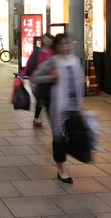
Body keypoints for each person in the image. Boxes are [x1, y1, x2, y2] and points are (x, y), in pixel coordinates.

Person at [31, 34, 85, 184]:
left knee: (73, 134)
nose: (67, 46)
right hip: (57, 105)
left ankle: (62, 155)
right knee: (59, 137)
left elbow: (79, 82)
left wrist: (81, 103)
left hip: (73, 105)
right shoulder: (52, 62)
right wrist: (51, 78)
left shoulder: (74, 61)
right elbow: (35, 77)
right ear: (56, 47)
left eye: (68, 43)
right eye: (63, 44)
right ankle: (61, 169)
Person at [21, 33, 55, 127]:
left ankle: (38, 117)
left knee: (43, 99)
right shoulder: (37, 52)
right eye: (46, 38)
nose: (48, 40)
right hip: (36, 80)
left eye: (50, 38)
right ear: (42, 39)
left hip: (49, 80)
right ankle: (37, 117)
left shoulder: (53, 52)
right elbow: (29, 64)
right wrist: (22, 75)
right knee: (40, 98)